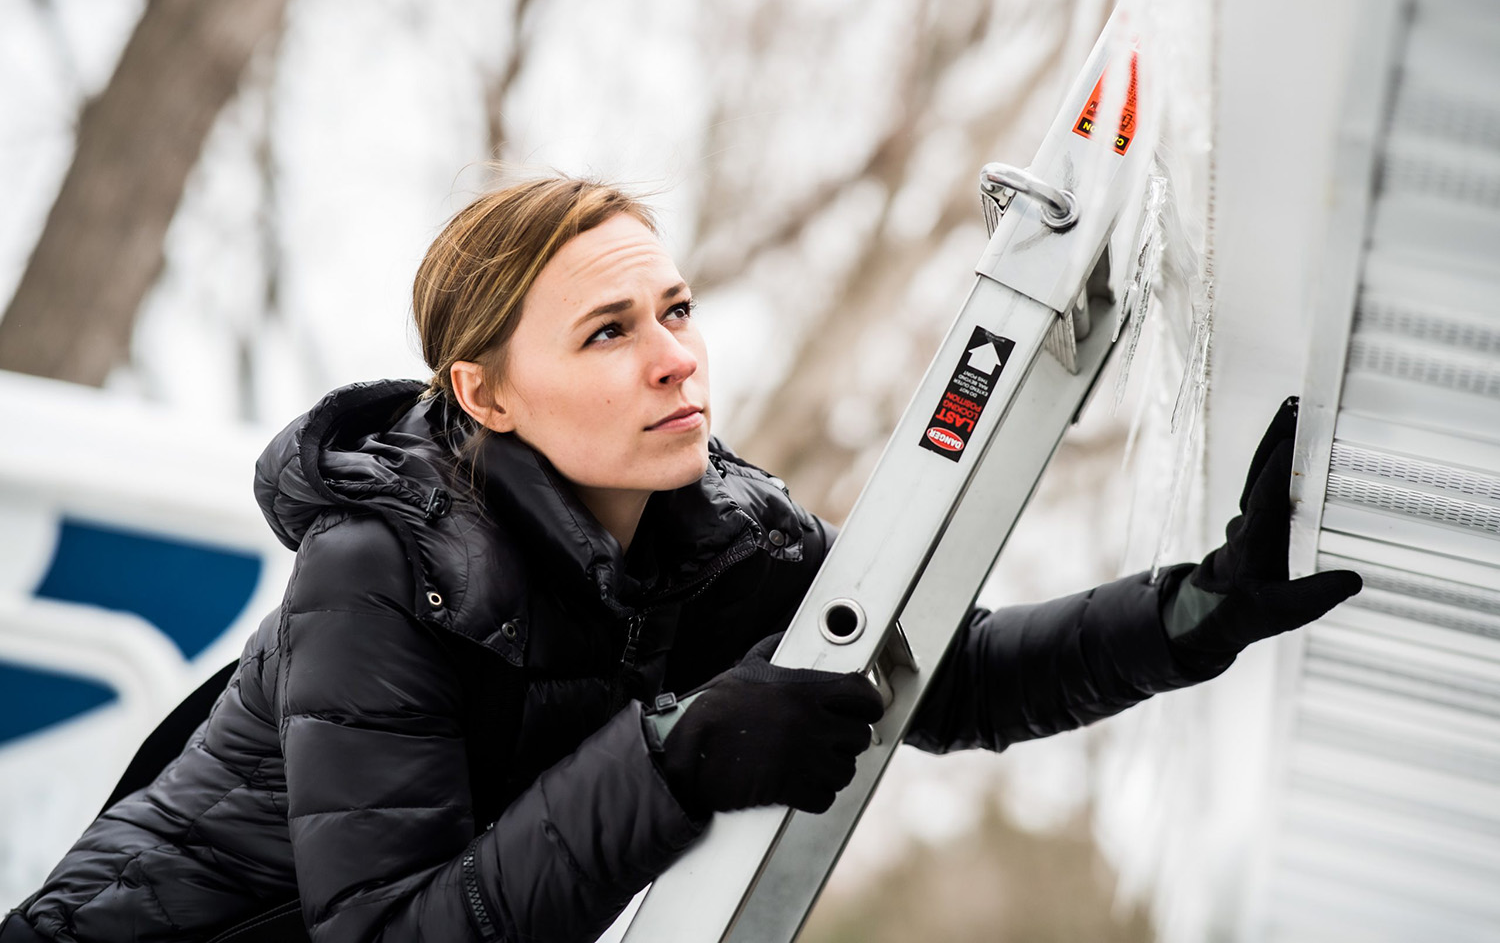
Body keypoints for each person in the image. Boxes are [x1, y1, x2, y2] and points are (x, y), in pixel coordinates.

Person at [4, 177, 1361, 943]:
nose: (674, 357)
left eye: (675, 309)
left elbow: (945, 677)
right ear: (484, 394)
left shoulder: (722, 545)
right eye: (606, 332)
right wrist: (669, 761)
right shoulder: (383, 571)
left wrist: (1190, 613)